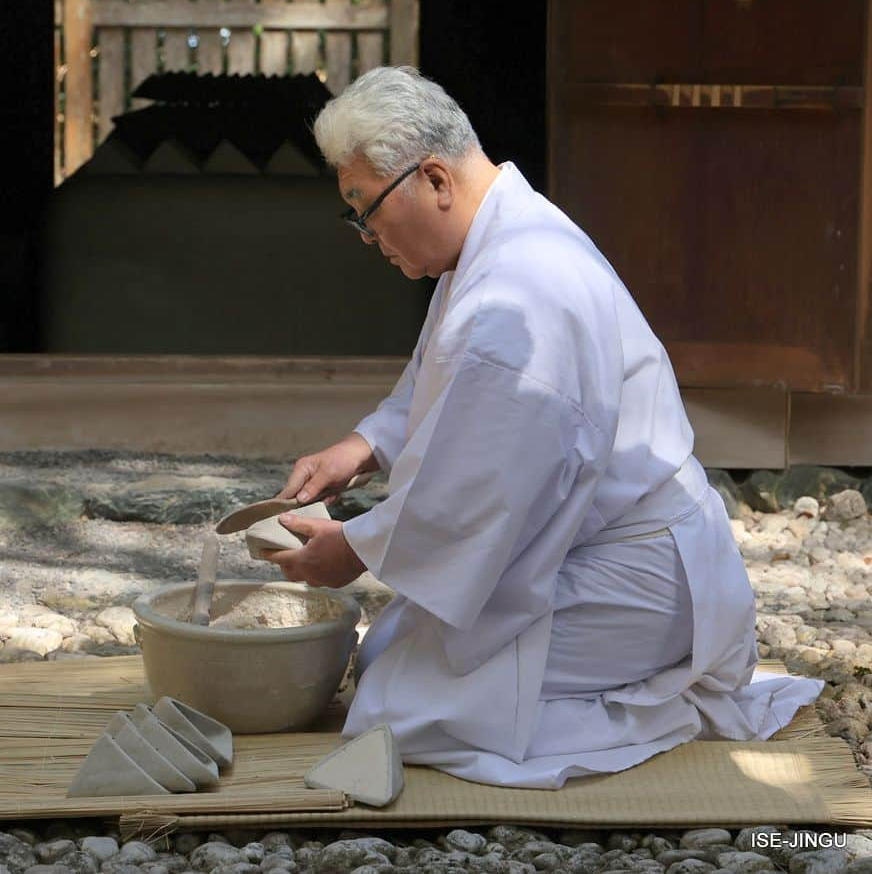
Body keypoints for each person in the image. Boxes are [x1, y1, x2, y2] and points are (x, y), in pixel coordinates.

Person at [260, 65, 823, 788]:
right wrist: (363, 445)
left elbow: (480, 490)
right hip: (597, 548)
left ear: (434, 179)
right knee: (386, 651)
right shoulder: (494, 244)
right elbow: (444, 389)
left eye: (366, 211)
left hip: (644, 578)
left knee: (399, 708)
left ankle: (671, 702)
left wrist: (355, 549)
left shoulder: (521, 289)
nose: (366, 237)